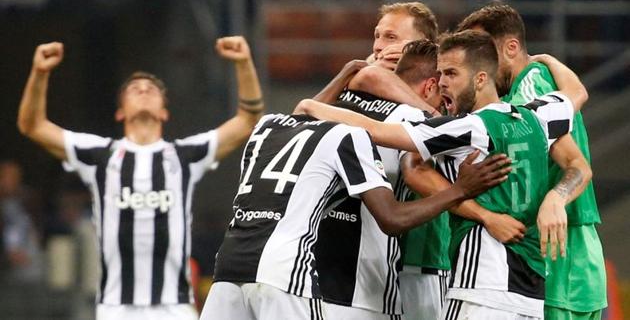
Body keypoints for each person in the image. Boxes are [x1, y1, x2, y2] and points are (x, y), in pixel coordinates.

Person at [296, 30, 592, 320]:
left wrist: (312, 106)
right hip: (529, 293)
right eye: (440, 74)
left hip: (481, 286)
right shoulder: (537, 117)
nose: (442, 83)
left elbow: (377, 132)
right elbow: (576, 93)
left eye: (451, 74)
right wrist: (547, 60)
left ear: (480, 79)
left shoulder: (469, 128)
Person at [17, 37, 264, 320]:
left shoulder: (184, 156)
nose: (144, 90)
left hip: (174, 307)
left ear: (164, 112)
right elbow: (32, 125)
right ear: (120, 111)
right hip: (116, 308)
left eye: (151, 89)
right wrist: (39, 72)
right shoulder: (100, 156)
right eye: (135, 89)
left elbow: (248, 119)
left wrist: (244, 63)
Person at [199, 108, 511, 320]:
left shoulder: (267, 125)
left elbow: (305, 106)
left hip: (227, 266)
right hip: (283, 271)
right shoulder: (350, 135)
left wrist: (348, 74)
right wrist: (459, 190)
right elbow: (392, 219)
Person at [456, 1, 607, 319]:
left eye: (483, 50)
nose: (476, 63)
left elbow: (577, 165)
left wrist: (556, 198)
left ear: (511, 46)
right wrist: (549, 59)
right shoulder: (536, 82)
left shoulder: (528, 89)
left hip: (557, 249)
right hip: (573, 251)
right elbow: (578, 91)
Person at [313, 40, 444, 320]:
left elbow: (297, 118)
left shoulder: (335, 102)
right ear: (430, 86)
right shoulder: (415, 118)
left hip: (308, 270)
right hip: (364, 282)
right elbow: (418, 171)